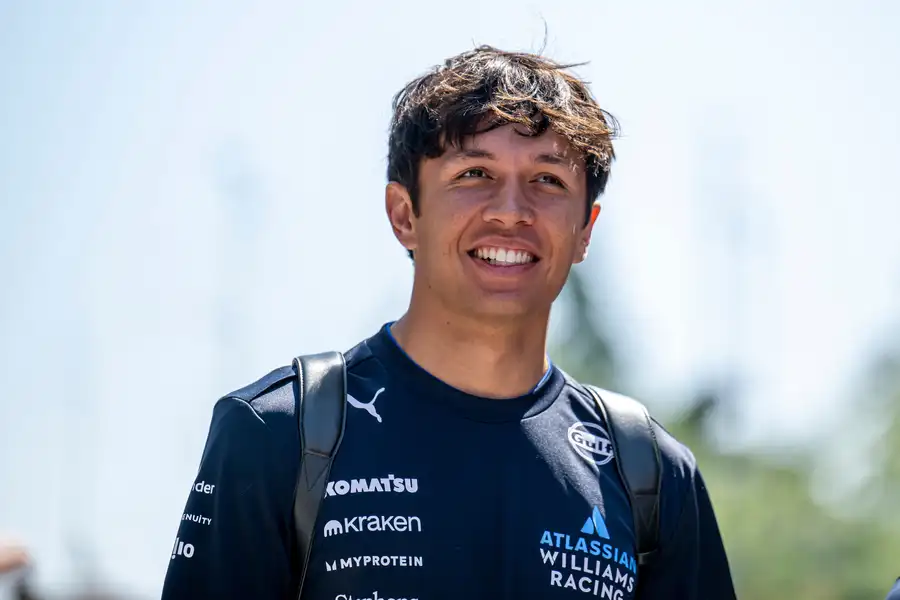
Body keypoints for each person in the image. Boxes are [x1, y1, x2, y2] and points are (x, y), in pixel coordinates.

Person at [161, 45, 737, 600]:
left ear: (585, 230)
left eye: (548, 181)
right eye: (474, 175)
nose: (511, 211)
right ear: (404, 214)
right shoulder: (279, 434)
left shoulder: (653, 476)